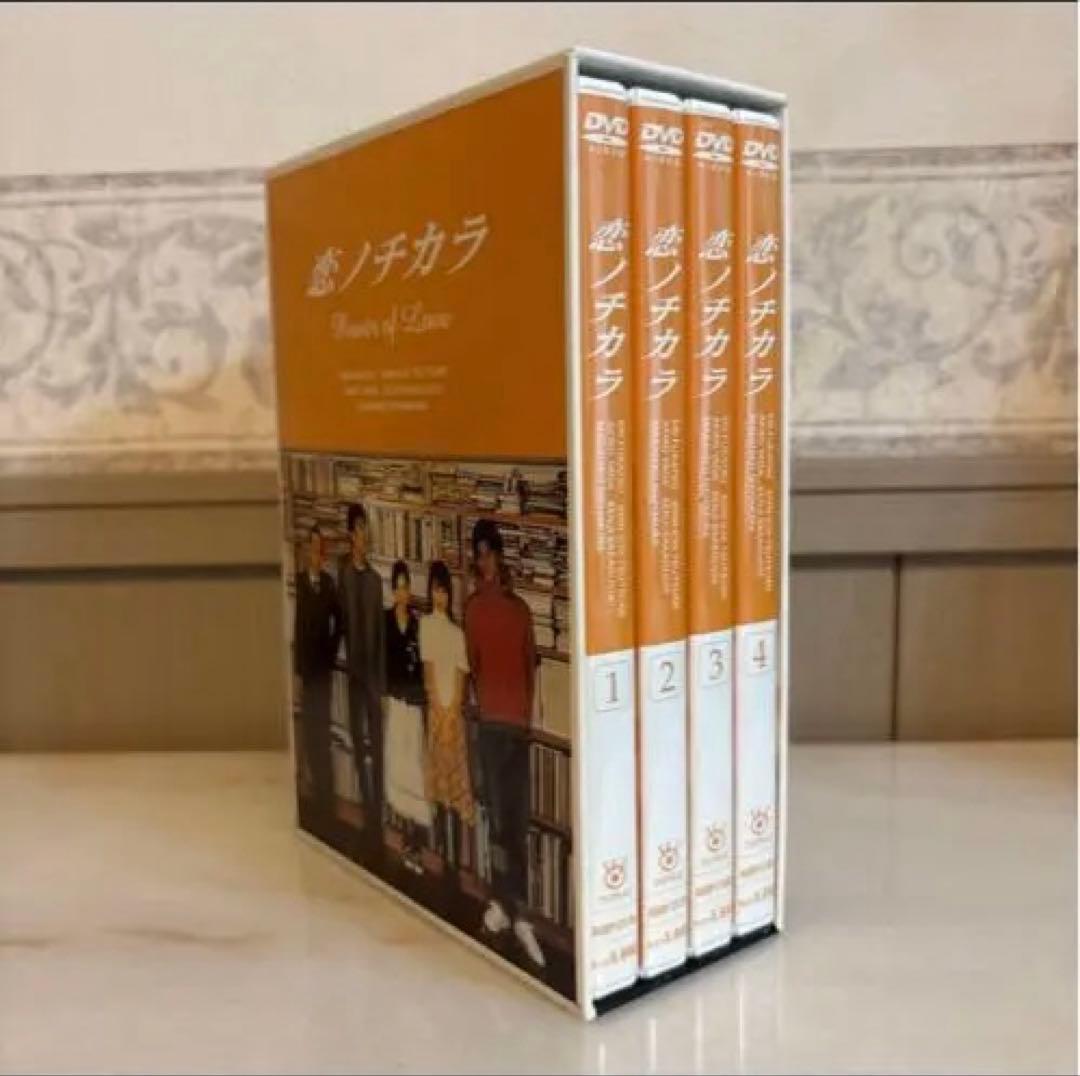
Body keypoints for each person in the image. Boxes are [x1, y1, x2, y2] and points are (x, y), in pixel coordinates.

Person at [464, 518, 545, 968]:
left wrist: (524, 717)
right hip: (493, 726)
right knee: (498, 823)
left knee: (516, 824)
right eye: (479, 555)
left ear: (498, 555)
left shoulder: (520, 611)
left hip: (515, 728)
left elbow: (529, 668)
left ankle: (518, 910)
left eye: (489, 553)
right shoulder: (474, 609)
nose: (485, 562)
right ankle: (502, 904)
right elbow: (475, 667)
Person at [419, 560, 475, 882]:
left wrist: (451, 711)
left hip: (453, 720)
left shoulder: (457, 633)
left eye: (444, 591)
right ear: (430, 592)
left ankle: (454, 861)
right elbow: (428, 675)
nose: (439, 596)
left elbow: (460, 675)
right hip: (435, 717)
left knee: (453, 792)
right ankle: (439, 854)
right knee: (437, 791)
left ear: (449, 594)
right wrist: (439, 713)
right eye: (435, 590)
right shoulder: (426, 626)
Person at [339, 502, 387, 861]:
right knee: (357, 742)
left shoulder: (374, 581)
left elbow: (380, 634)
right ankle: (367, 811)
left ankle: (377, 818)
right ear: (350, 535)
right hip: (353, 673)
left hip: (373, 676)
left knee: (378, 744)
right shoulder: (343, 576)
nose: (364, 536)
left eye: (366, 530)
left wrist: (381, 683)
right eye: (359, 530)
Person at [384, 560, 431, 875]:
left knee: (415, 771)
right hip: (394, 703)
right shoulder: (385, 622)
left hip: (413, 706)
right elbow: (383, 661)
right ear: (393, 591)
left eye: (406, 587)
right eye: (398, 587)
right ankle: (403, 840)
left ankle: (416, 843)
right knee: (397, 769)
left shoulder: (417, 626)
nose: (403, 592)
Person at [293, 524, 342, 827]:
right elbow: (297, 629)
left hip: (322, 673)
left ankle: (327, 802)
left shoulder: (328, 584)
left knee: (322, 736)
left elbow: (341, 621)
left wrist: (331, 653)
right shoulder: (299, 584)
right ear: (306, 552)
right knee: (309, 736)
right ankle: (310, 801)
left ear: (323, 554)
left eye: (320, 548)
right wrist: (297, 672)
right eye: (312, 547)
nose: (316, 553)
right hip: (306, 673)